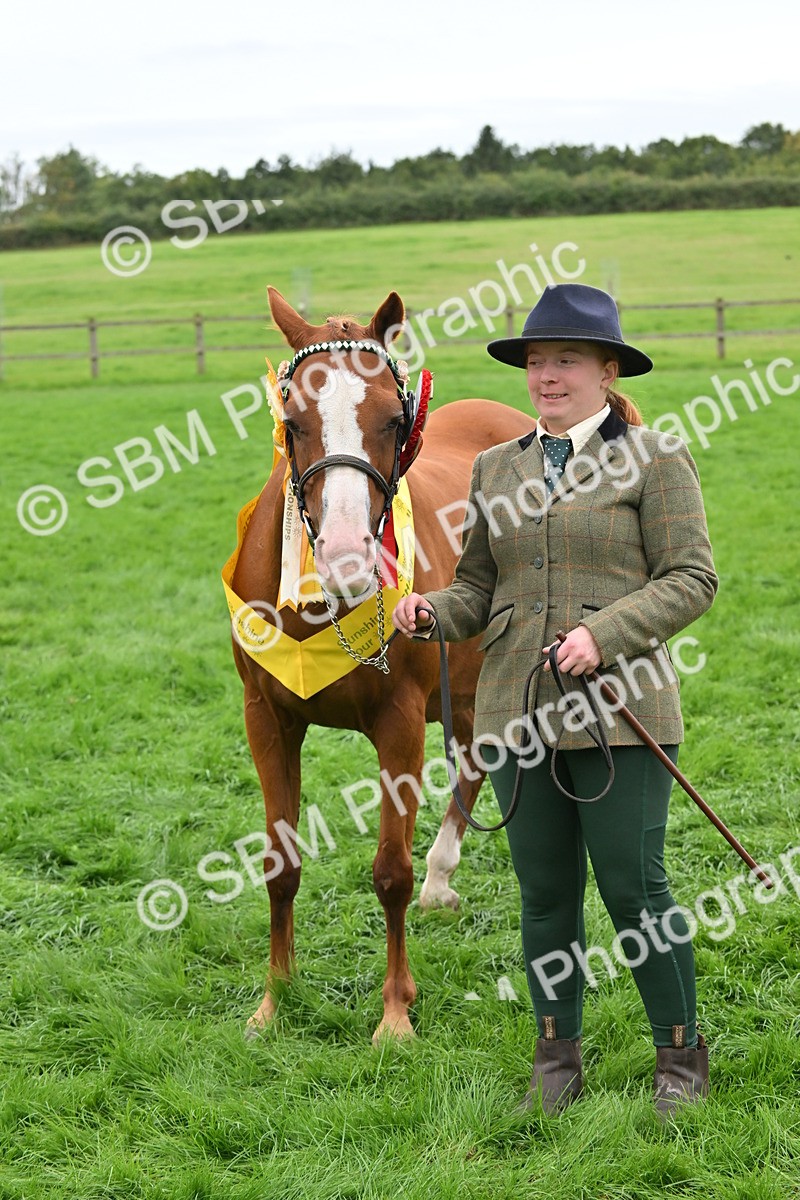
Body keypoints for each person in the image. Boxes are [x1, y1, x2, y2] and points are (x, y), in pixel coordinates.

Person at [392, 283, 718, 1118]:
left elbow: (692, 579)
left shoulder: (656, 459)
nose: (547, 376)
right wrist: (431, 610)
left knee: (635, 890)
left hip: (623, 709)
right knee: (544, 896)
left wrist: (604, 635)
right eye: (537, 361)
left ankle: (679, 1055)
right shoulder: (494, 466)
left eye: (565, 360)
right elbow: (477, 589)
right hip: (514, 711)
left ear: (608, 371)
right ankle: (555, 1051)